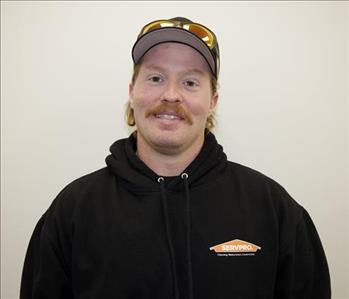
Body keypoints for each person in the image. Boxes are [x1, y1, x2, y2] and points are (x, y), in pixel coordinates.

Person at [20, 17, 331, 299]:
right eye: (155, 78)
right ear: (132, 91)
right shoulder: (72, 210)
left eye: (190, 82)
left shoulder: (274, 210)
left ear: (213, 100)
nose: (170, 94)